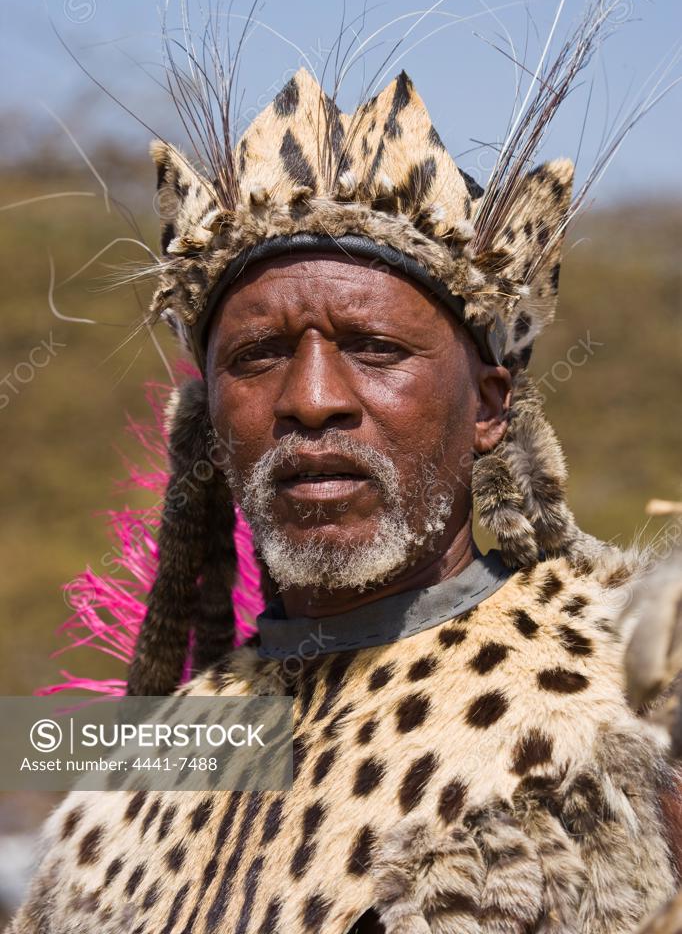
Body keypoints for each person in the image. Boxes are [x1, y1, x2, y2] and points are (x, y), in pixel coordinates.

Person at [7, 65, 679, 934]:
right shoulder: (140, 784)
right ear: (207, 421)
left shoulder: (622, 724)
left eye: (373, 346)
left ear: (488, 405)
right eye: (257, 356)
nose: (311, 398)